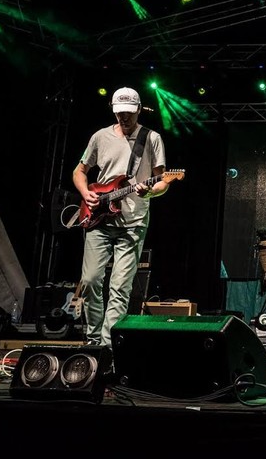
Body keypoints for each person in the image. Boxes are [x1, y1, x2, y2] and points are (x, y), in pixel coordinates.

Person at [72, 87, 169, 347]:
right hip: (99, 219)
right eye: (119, 113)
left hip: (133, 222)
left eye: (128, 112)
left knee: (120, 287)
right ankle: (93, 339)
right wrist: (86, 193)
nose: (124, 117)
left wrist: (150, 191)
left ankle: (107, 347)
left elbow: (162, 181)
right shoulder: (100, 137)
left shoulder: (151, 138)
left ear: (138, 109)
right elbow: (79, 171)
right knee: (90, 280)